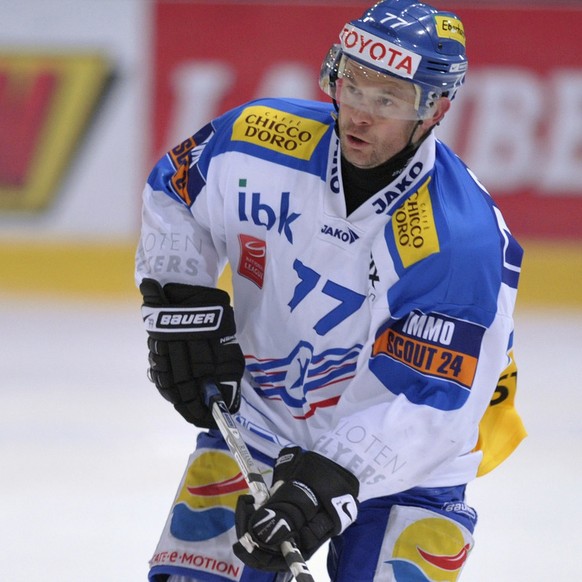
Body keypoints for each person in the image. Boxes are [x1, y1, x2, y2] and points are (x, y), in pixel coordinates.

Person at [136, 1, 527, 580]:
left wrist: (329, 480)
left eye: (388, 100)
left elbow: (433, 405)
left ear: (435, 109)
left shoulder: (457, 239)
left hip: (413, 467)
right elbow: (175, 190)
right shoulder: (256, 137)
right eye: (352, 84)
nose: (359, 115)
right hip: (263, 421)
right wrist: (180, 301)